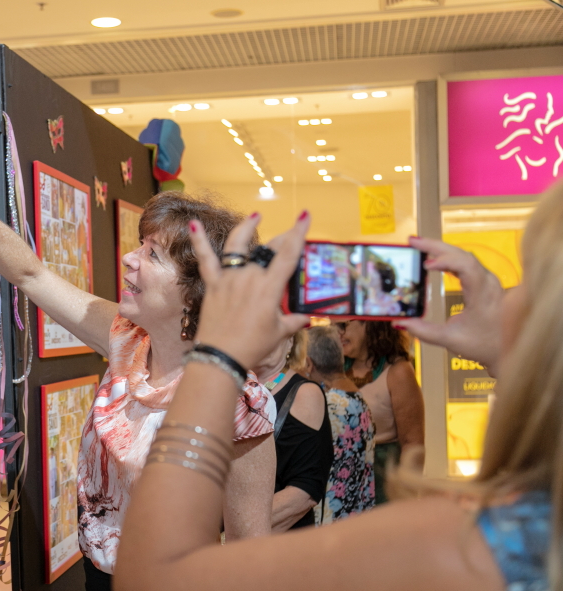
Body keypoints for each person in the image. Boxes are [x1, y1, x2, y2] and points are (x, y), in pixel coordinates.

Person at [114, 192, 558, 591]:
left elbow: (153, 578)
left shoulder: (485, 546)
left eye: (531, 280)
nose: (509, 295)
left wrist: (217, 352)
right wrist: (514, 351)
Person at [0, 181, 278, 590]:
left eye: (153, 254)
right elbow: (31, 275)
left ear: (195, 293)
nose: (130, 258)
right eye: (141, 245)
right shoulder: (127, 339)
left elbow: (248, 557)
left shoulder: (238, 405)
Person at [337, 319, 424, 503]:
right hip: (339, 484)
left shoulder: (398, 372)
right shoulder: (333, 368)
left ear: (369, 323)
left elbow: (413, 444)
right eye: (333, 327)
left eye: (343, 325)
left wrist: (405, 496)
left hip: (382, 483)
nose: (338, 333)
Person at [253, 330, 332, 532]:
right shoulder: (233, 388)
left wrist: (235, 533)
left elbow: (303, 492)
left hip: (276, 540)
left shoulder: (305, 394)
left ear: (290, 342)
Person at [303, 325, 375, 525]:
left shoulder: (328, 405)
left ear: (309, 364)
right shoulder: (358, 398)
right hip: (357, 516)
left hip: (331, 519)